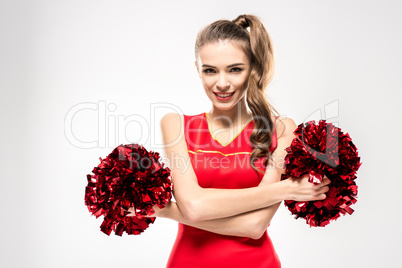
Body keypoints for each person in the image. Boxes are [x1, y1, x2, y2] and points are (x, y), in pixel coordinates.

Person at [128, 14, 330, 267]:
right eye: (210, 70)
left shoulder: (282, 130)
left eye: (235, 69)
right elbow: (193, 207)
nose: (221, 83)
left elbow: (254, 226)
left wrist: (167, 210)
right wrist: (285, 189)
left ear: (253, 68)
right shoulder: (176, 125)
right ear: (197, 70)